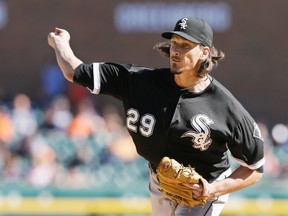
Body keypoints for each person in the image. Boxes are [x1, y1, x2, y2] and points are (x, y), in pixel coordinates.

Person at [47, 17, 265, 216]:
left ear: (205, 53)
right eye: (174, 43)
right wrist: (60, 43)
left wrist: (213, 189)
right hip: (159, 179)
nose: (176, 51)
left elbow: (255, 170)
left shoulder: (226, 108)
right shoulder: (139, 81)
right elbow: (73, 71)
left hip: (204, 185)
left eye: (185, 45)